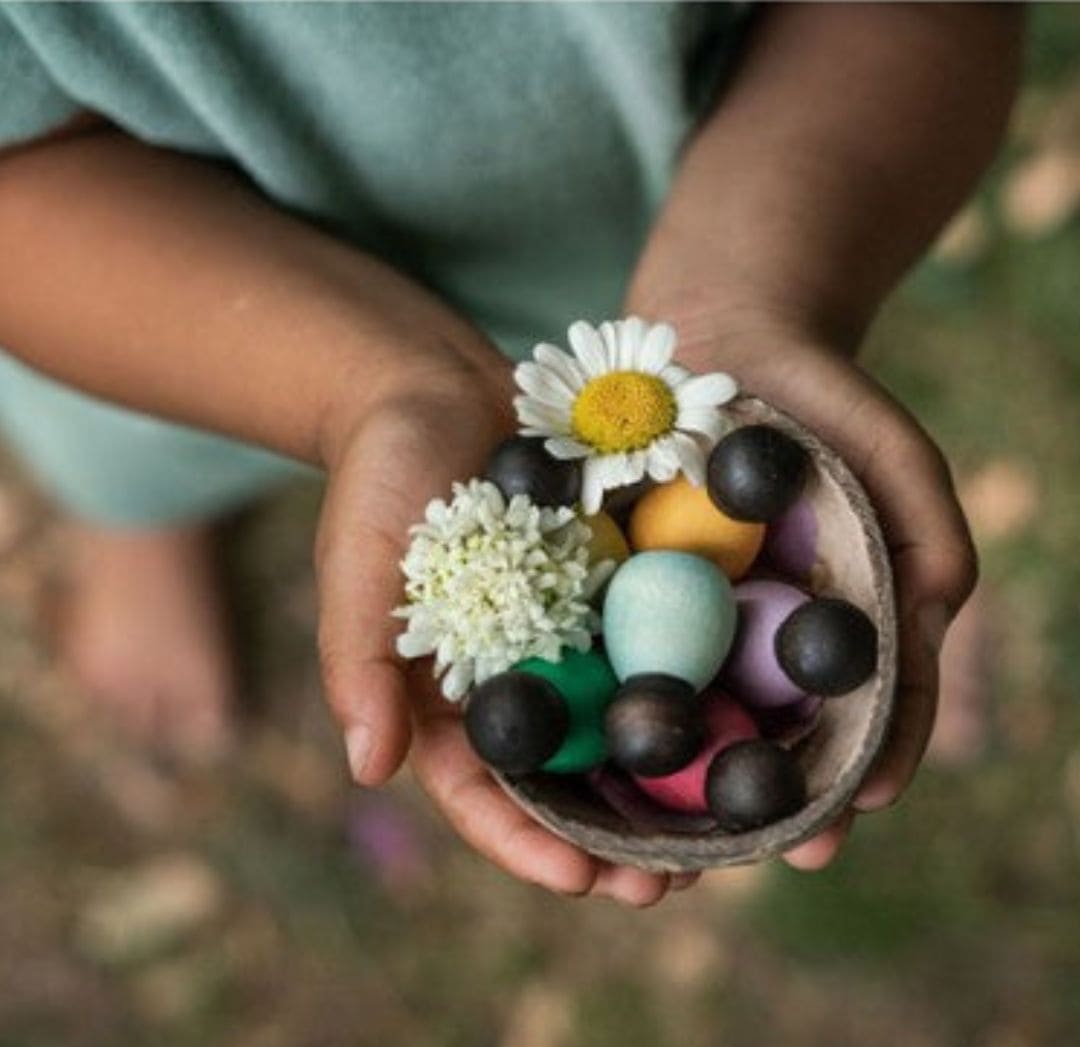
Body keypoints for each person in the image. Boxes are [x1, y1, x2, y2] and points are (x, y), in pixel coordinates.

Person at [0, 3, 1021, 906]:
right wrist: (375, 389)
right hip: (182, 276)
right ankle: (138, 516)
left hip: (700, 207)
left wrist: (750, 293)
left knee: (704, 500)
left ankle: (147, 501)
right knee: (143, 441)